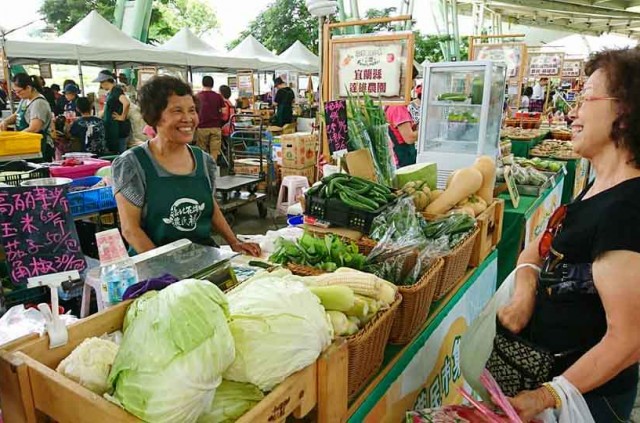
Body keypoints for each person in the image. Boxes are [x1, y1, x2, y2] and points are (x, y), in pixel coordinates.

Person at [498, 48, 640, 422]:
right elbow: (536, 249)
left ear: (624, 113)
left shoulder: (627, 211)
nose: (572, 112)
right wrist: (524, 293)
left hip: (591, 402)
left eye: (585, 97)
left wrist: (547, 395)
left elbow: (628, 340)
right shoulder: (597, 187)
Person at [111, 75, 260, 257]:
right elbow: (130, 230)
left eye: (192, 110)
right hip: (155, 267)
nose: (188, 118)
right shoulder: (132, 164)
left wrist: (234, 242)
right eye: (177, 111)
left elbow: (209, 205)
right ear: (155, 116)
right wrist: (168, 272)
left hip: (203, 258)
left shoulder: (203, 161)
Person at [0, 73, 54, 160]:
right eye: (15, 91)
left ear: (28, 88)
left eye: (19, 91)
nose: (17, 94)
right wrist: (5, 121)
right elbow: (17, 115)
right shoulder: (25, 99)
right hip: (27, 144)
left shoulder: (38, 103)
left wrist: (16, 138)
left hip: (39, 147)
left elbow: (34, 128)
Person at [385, 66, 419, 168]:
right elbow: (409, 137)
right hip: (402, 161)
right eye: (413, 79)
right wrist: (427, 131)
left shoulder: (391, 103)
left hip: (399, 159)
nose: (414, 83)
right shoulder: (398, 107)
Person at [94, 70, 130, 154]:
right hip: (112, 128)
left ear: (106, 81)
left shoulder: (116, 90)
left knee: (120, 155)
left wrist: (122, 116)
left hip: (118, 128)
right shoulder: (111, 92)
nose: (101, 85)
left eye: (101, 82)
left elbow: (126, 103)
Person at [195, 75, 224, 160]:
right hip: (216, 127)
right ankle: (213, 168)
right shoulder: (218, 96)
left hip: (202, 127)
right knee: (214, 151)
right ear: (212, 84)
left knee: (201, 150)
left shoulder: (197, 97)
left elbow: (194, 112)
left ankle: (203, 168)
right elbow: (224, 111)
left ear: (202, 83)